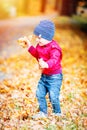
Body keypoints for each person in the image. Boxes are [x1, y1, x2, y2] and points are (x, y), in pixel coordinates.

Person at [18, 20, 63, 119]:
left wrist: (46, 64)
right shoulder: (40, 45)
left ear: (48, 37)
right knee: (39, 94)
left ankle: (57, 113)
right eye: (36, 38)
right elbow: (37, 54)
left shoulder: (54, 48)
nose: (37, 40)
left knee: (53, 96)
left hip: (55, 77)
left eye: (39, 38)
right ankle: (43, 112)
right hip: (44, 76)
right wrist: (29, 46)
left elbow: (55, 59)